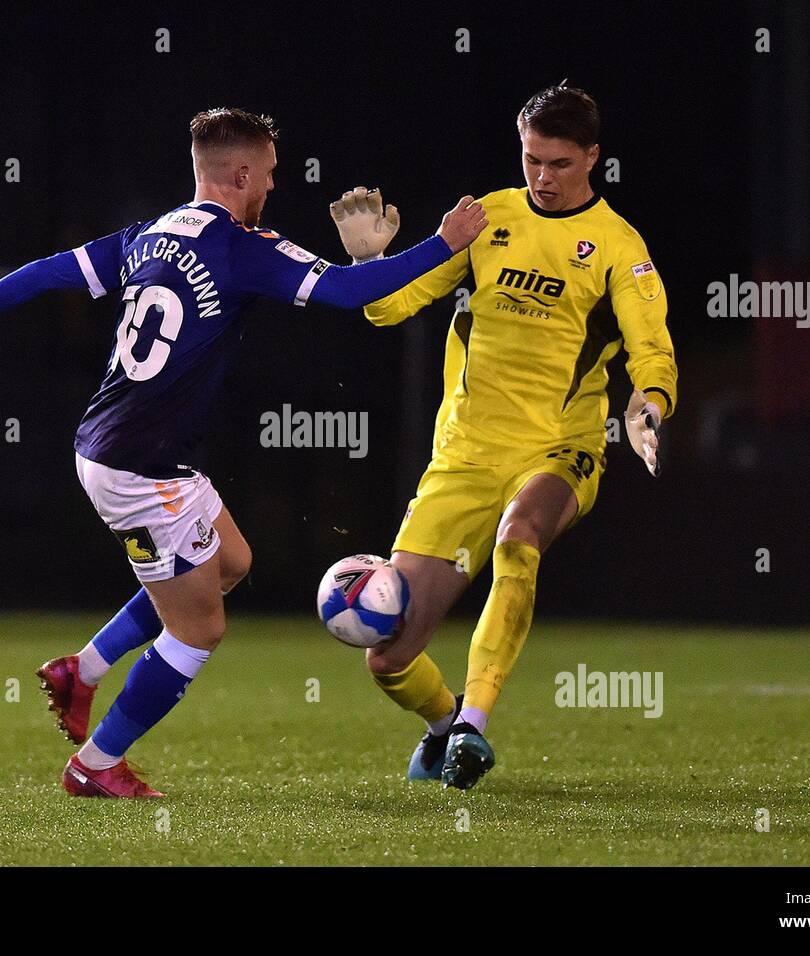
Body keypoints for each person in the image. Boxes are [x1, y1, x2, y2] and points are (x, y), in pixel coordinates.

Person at [0, 107, 487, 797]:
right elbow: (349, 291)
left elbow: (45, 271)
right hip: (140, 469)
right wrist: (443, 244)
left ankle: (81, 672)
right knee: (200, 627)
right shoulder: (243, 248)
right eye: (268, 173)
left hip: (124, 447)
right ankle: (95, 766)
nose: (272, 184)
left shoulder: (151, 234)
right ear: (241, 173)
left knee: (231, 561)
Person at [328, 86, 677, 790]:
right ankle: (443, 724)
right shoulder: (487, 219)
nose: (541, 177)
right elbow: (393, 309)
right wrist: (370, 265)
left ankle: (473, 726)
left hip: (558, 447)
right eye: (530, 160)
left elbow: (651, 346)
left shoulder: (617, 246)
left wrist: (652, 401)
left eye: (558, 163)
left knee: (519, 538)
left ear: (593, 159)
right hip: (463, 454)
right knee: (388, 657)